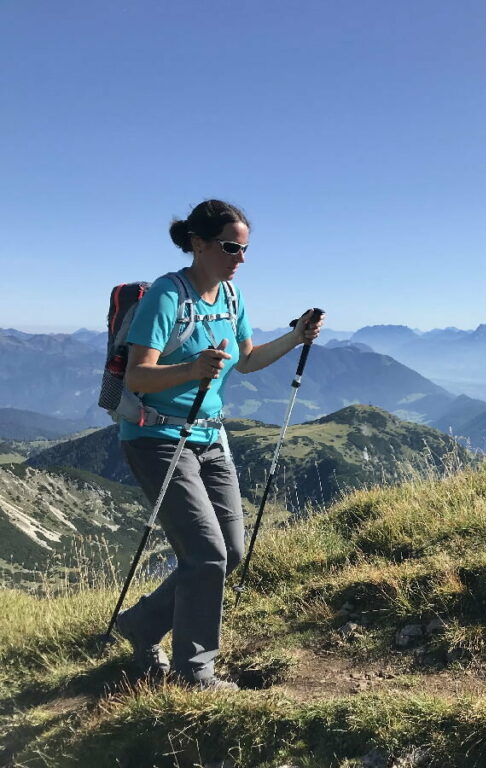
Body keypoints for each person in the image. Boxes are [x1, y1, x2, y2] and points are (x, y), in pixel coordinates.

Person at [114, 199, 324, 690]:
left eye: (245, 248)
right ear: (199, 243)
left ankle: (140, 625)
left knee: (228, 552)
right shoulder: (167, 296)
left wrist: (295, 336)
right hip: (156, 436)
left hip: (209, 436)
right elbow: (139, 376)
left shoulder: (232, 297)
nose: (241, 258)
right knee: (206, 553)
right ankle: (195, 671)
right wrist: (191, 368)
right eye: (232, 247)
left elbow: (246, 361)